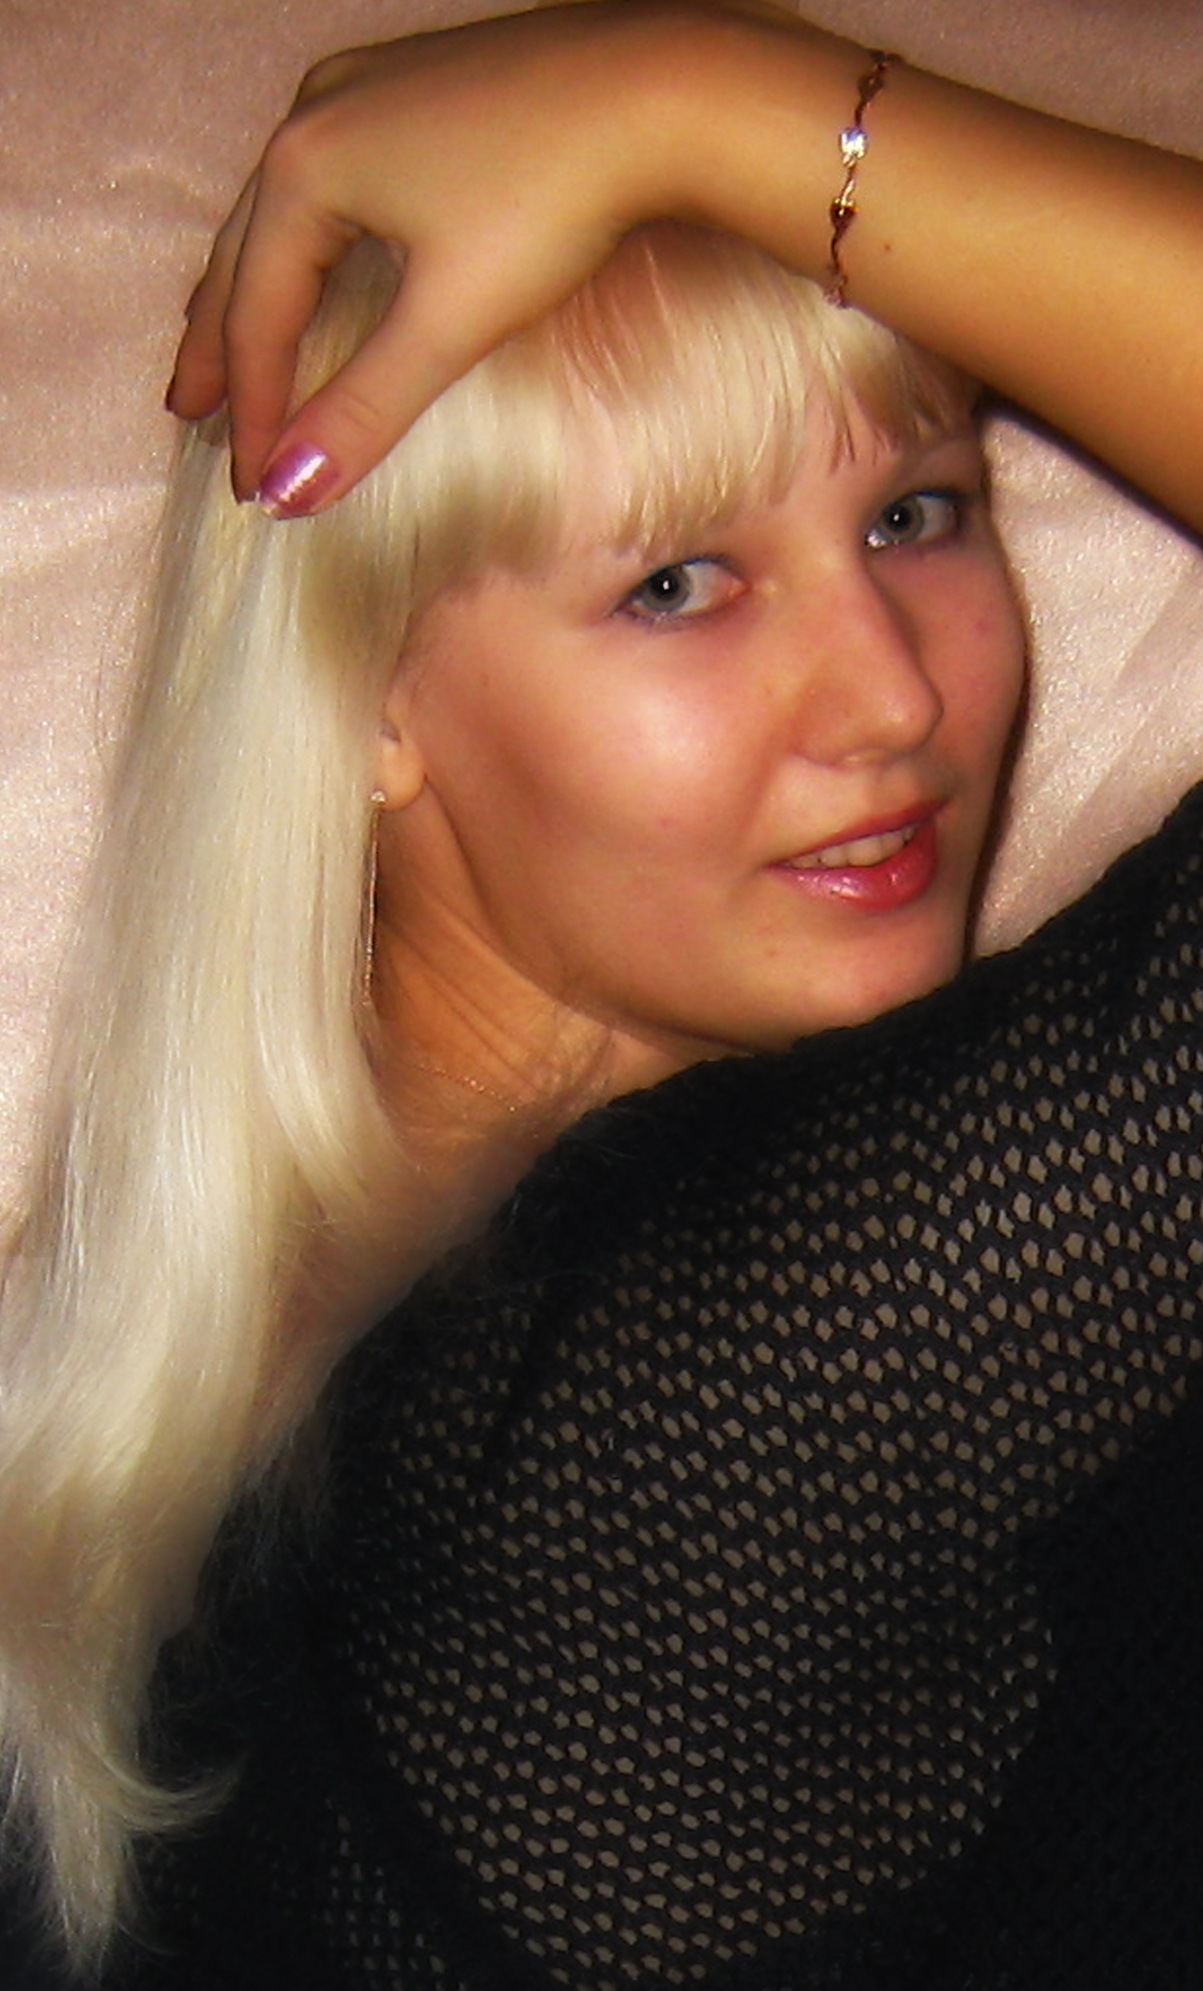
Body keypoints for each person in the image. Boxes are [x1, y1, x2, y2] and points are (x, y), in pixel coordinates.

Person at [1, 3, 1201, 1986]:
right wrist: (706, 102)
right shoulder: (689, 1398)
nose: (889, 695)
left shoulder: (266, 1400)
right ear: (364, 702)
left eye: (911, 516)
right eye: (676, 584)